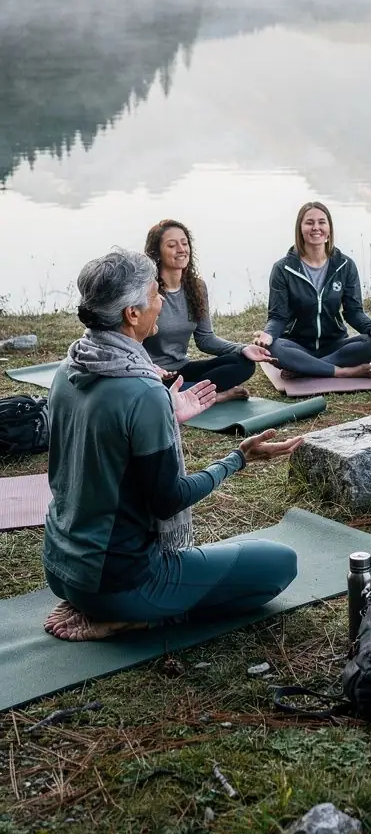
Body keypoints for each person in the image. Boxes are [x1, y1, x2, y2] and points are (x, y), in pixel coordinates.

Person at [43, 249, 303, 642]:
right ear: (132, 313)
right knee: (280, 565)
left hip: (61, 569)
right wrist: (237, 459)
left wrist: (166, 415)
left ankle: (108, 606)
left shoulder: (70, 368)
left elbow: (105, 446)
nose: (161, 300)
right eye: (154, 294)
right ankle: (138, 618)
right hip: (120, 582)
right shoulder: (141, 390)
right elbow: (168, 499)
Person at [253, 202, 371, 378]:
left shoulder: (345, 265)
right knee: (273, 347)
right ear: (300, 228)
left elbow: (354, 312)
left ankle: (304, 368)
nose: (316, 228)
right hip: (297, 345)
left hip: (335, 344)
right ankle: (341, 372)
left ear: (329, 228)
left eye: (321, 222)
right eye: (309, 222)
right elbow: (278, 316)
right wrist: (269, 335)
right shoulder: (283, 268)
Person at [143, 219, 270, 403]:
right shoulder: (148, 291)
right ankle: (209, 397)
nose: (181, 249)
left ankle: (187, 396)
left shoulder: (196, 287)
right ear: (157, 253)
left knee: (243, 364)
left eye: (184, 243)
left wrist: (242, 348)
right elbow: (132, 342)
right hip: (151, 374)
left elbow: (205, 339)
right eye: (172, 245)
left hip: (181, 370)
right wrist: (152, 368)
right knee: (151, 389)